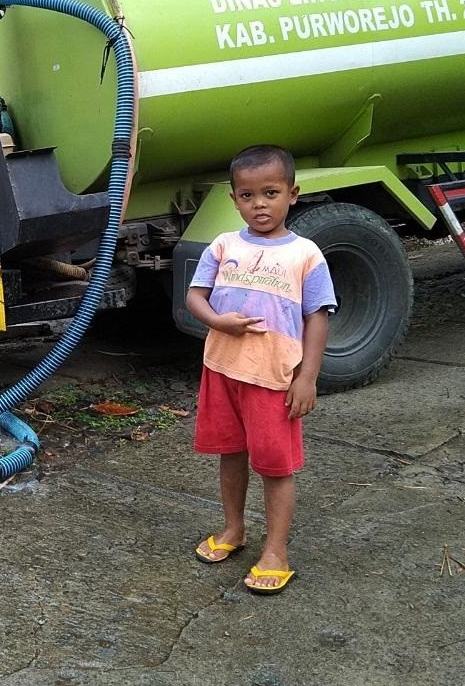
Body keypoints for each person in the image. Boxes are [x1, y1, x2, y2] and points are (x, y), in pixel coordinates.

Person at [184, 144, 336, 595]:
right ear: (234, 200)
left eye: (270, 192)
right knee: (230, 454)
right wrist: (216, 321)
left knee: (274, 466)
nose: (259, 204)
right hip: (221, 371)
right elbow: (195, 296)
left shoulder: (306, 254)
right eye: (248, 196)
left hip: (273, 380)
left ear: (293, 194)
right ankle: (234, 529)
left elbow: (318, 317)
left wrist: (307, 376)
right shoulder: (223, 245)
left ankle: (276, 551)